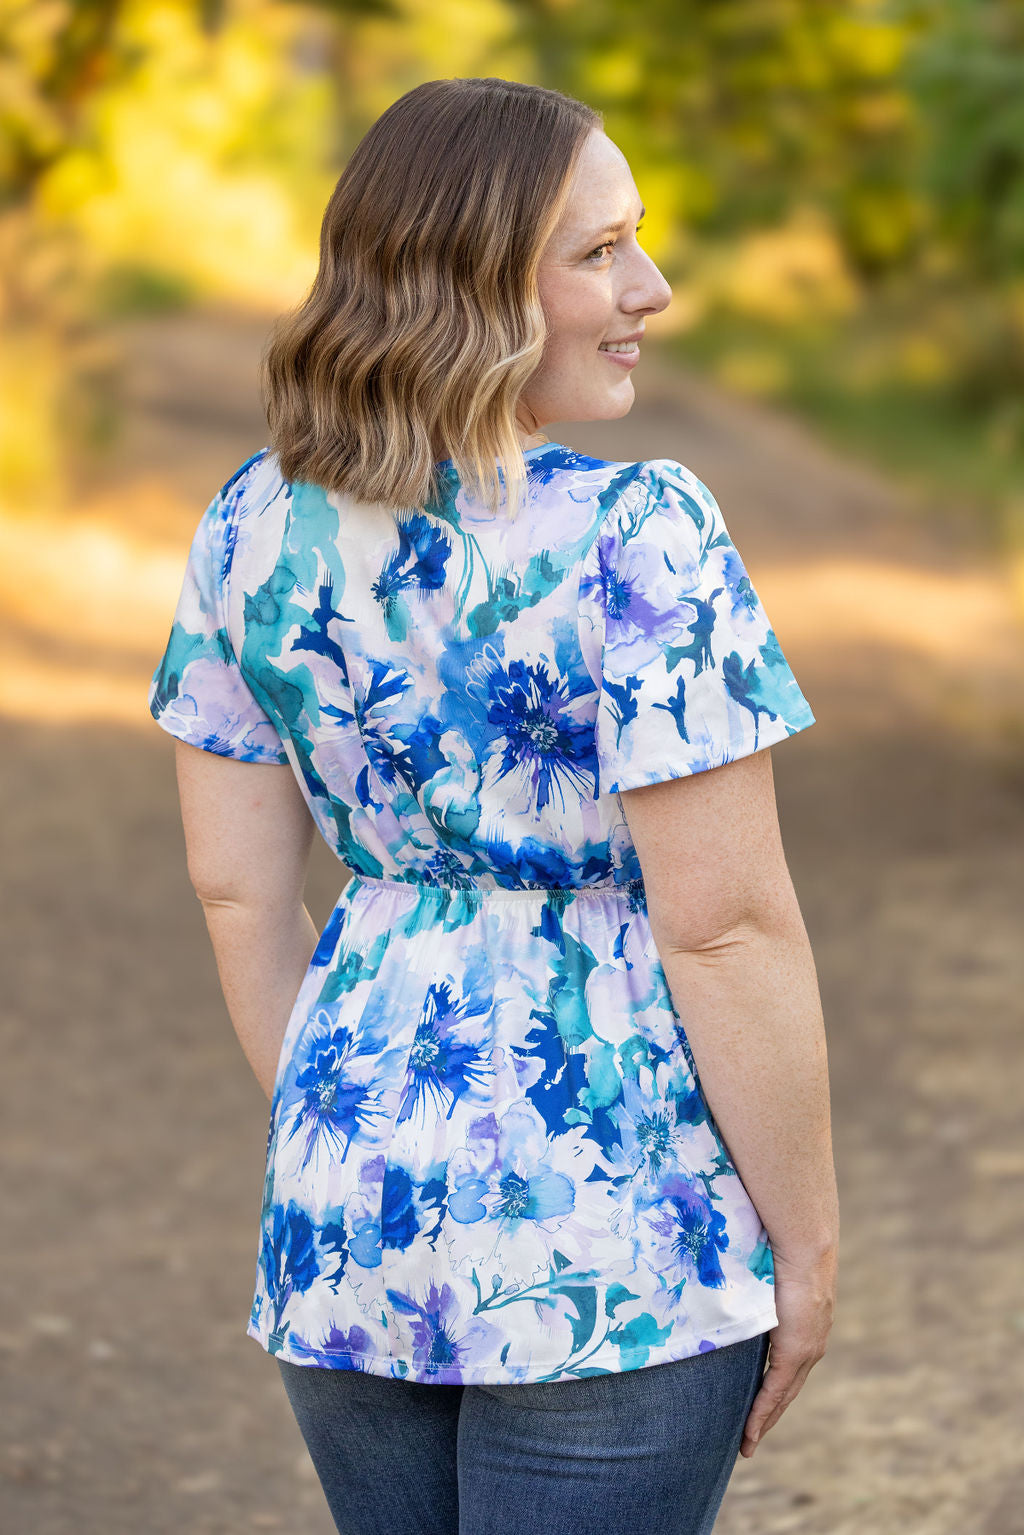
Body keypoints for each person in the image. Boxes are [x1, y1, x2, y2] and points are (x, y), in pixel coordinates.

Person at [149, 76, 839, 1535]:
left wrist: (355, 1126)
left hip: (344, 1206)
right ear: (465, 278)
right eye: (598, 253)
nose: (649, 289)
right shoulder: (641, 534)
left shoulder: (249, 525)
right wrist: (812, 1243)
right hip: (614, 1228)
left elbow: (237, 891)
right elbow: (724, 929)